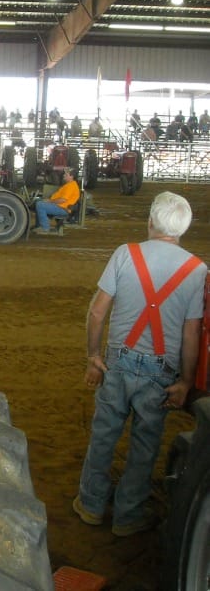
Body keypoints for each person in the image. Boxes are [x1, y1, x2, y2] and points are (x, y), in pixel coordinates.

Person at [74, 192, 207, 537]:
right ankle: (128, 515)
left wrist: (93, 357)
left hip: (117, 363)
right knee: (145, 444)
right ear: (183, 229)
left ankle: (90, 504)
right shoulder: (197, 270)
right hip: (161, 373)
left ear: (150, 221)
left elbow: (97, 311)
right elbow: (192, 332)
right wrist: (186, 382)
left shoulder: (125, 254)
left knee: (103, 435)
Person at [33, 168, 80, 235]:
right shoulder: (69, 185)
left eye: (66, 174)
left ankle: (45, 228)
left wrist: (49, 201)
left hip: (63, 209)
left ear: (71, 176)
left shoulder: (71, 186)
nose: (64, 175)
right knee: (39, 202)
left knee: (40, 205)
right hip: (60, 206)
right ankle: (39, 226)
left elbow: (62, 200)